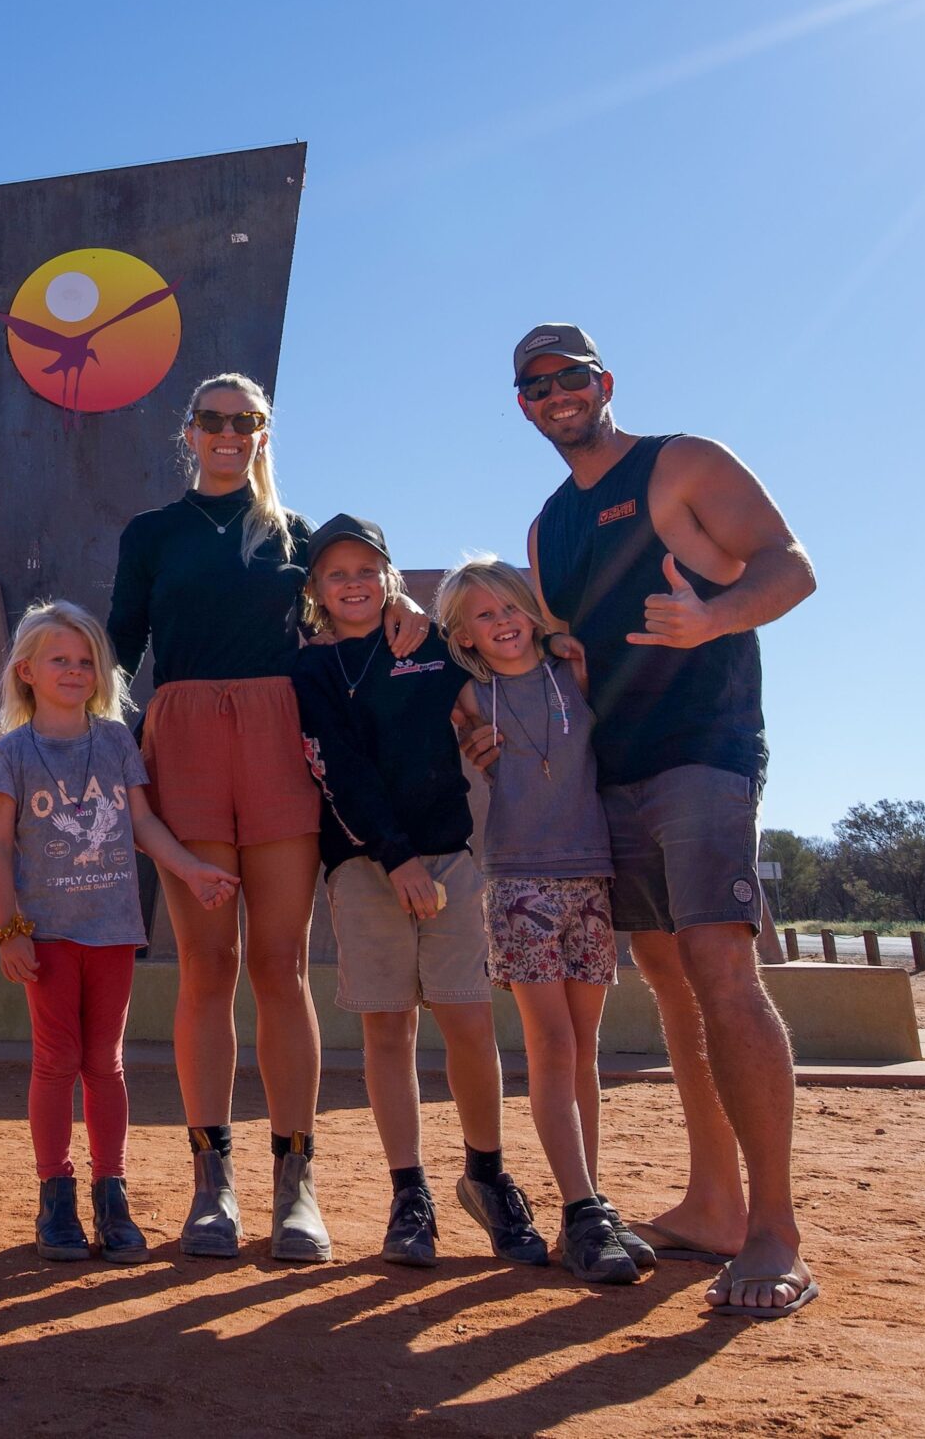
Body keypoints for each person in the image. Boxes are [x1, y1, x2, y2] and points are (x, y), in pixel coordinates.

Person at [490, 321, 820, 1319]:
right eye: (537, 384)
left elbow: (791, 565)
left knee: (722, 969)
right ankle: (713, 1205)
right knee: (671, 982)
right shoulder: (550, 527)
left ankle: (774, 1233)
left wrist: (714, 616)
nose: (558, 394)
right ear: (522, 404)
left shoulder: (683, 463)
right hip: (615, 769)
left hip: (703, 753)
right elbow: (563, 660)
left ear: (605, 381)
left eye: (573, 376)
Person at [106, 372, 428, 1262]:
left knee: (281, 966)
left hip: (282, 736)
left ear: (263, 433)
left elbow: (356, 589)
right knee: (209, 966)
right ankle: (213, 1188)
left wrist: (398, 603)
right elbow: (120, 646)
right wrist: (92, 736)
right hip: (185, 738)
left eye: (245, 422)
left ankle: (299, 1188)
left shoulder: (294, 534)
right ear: (188, 430)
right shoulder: (152, 534)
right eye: (211, 420)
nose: (227, 434)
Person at [291, 517, 547, 1270]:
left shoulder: (426, 643)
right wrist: (394, 858)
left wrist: (480, 730)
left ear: (389, 575)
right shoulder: (311, 671)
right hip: (365, 865)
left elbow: (492, 685)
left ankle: (488, 1176)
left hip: (451, 859)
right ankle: (410, 1195)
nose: (354, 584)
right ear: (315, 590)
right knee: (389, 1030)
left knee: (469, 1021)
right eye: (336, 574)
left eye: (367, 569)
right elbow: (337, 768)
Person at [0, 599, 241, 1263]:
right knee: (54, 1060)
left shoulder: (116, 741)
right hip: (46, 936)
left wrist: (189, 869)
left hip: (112, 931)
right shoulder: (12, 753)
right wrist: (10, 930)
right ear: (27, 672)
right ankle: (55, 1195)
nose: (74, 670)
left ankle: (110, 1192)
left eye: (85, 660)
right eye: (58, 660)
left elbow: (143, 825)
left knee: (106, 1063)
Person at [438, 556, 653, 1286]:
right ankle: (584, 1203)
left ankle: (584, 1206)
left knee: (583, 1049)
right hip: (519, 882)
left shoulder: (577, 674)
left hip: (591, 874)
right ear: (464, 633)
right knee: (551, 1042)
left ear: (532, 611)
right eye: (484, 616)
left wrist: (562, 637)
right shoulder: (468, 697)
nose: (502, 624)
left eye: (511, 608)